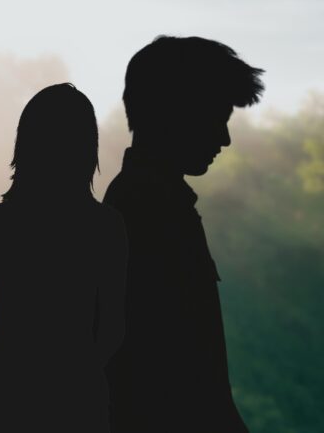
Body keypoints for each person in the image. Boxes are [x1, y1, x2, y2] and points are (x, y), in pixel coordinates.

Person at [0, 83, 127, 433]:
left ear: (25, 143)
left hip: (3, 389)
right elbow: (114, 324)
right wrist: (81, 372)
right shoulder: (106, 226)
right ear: (88, 149)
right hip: (78, 400)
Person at [104, 35, 263, 433]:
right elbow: (179, 375)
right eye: (217, 118)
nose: (224, 139)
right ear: (175, 114)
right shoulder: (151, 212)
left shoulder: (151, 203)